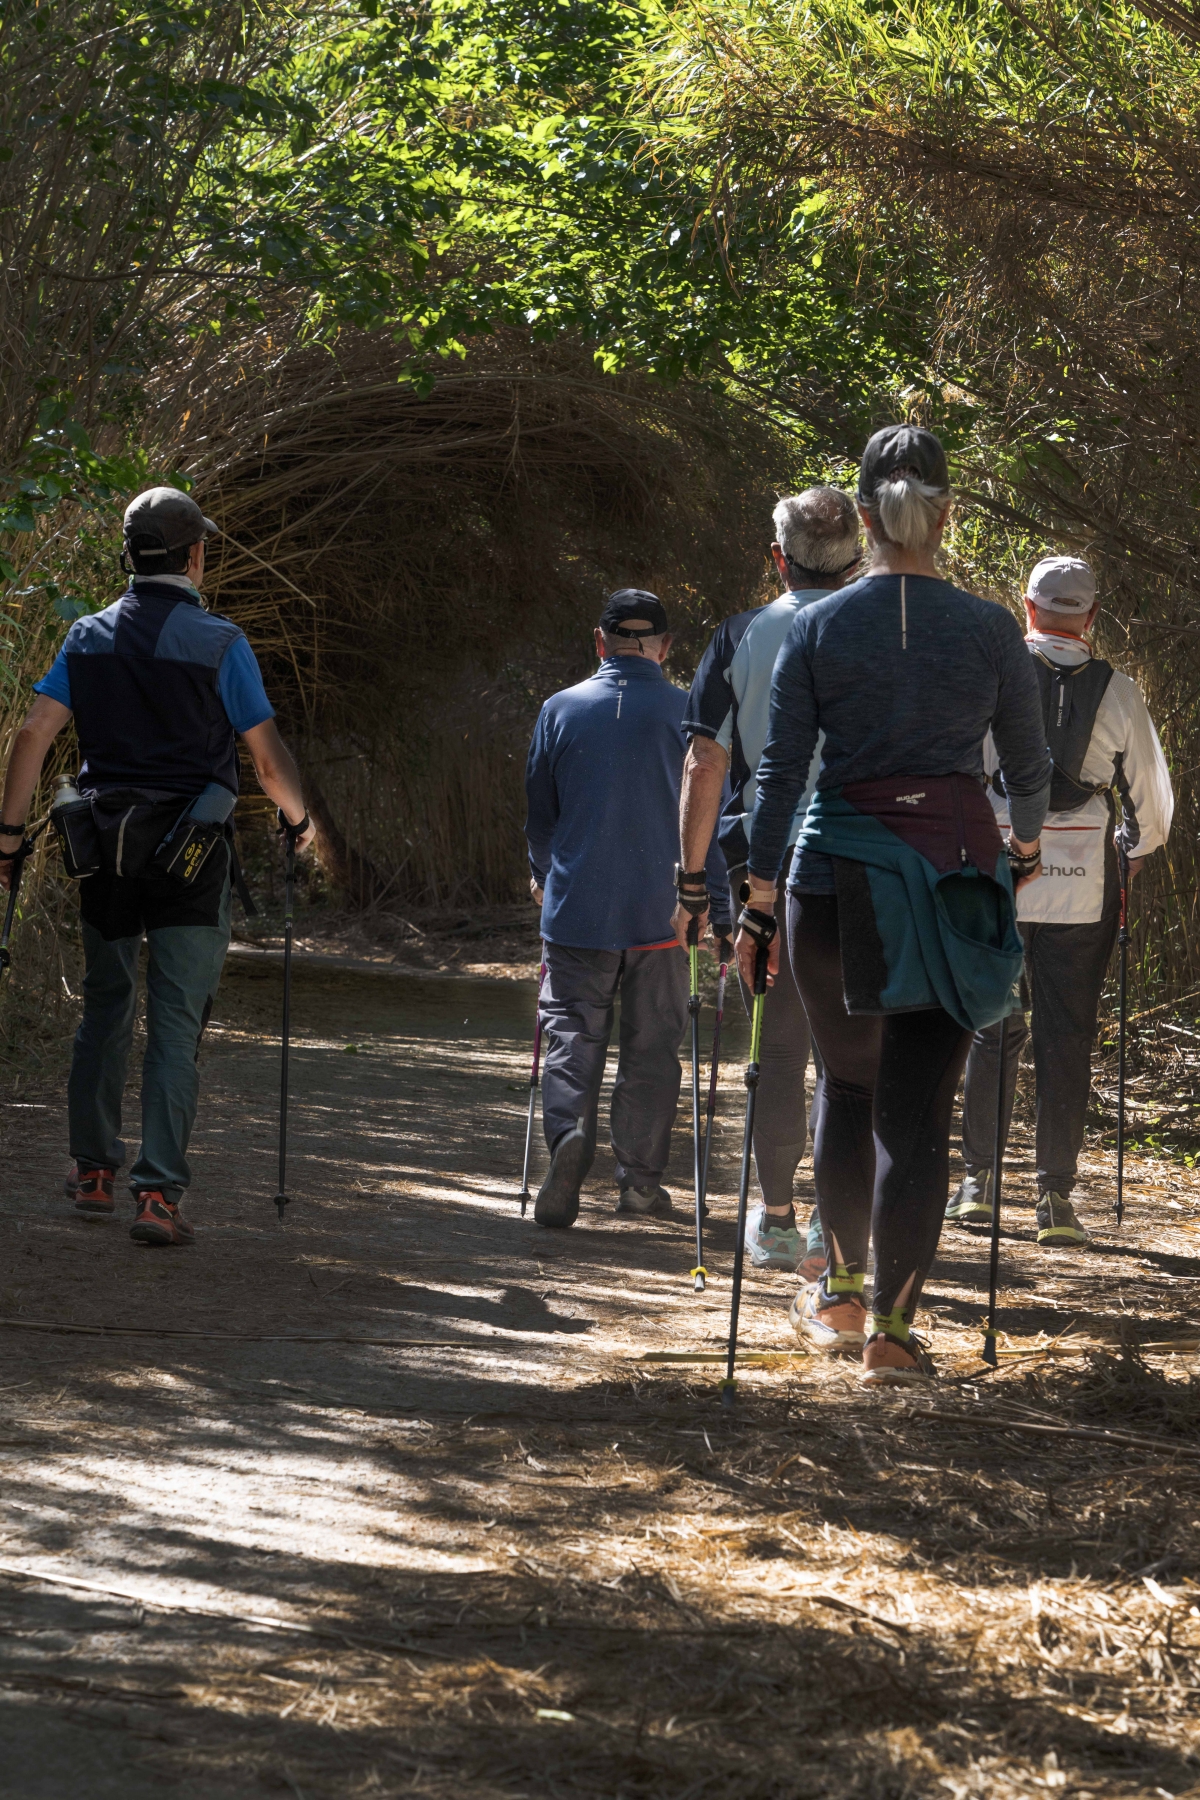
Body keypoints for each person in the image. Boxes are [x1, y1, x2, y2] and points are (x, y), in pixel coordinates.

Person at [741, 425, 1052, 1384]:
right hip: (951, 882)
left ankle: (835, 1292)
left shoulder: (818, 627)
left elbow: (781, 775)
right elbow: (1030, 772)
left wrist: (756, 898)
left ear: (864, 518)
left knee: (847, 1088)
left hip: (831, 879)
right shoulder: (993, 629)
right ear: (946, 515)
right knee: (920, 1113)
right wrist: (1026, 854)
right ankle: (896, 1333)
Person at [0, 486, 315, 1245]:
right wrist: (299, 822)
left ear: (127, 556)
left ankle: (93, 1171)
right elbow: (268, 764)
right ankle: (157, 1197)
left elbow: (32, 736)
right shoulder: (219, 642)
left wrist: (7, 840)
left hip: (104, 848)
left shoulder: (86, 637)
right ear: (196, 555)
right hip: (192, 856)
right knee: (175, 1023)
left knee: (106, 1008)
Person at [946, 554, 1174, 1247]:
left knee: (992, 1028)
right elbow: (1155, 811)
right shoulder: (1121, 690)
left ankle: (980, 1184)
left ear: (1028, 608)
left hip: (997, 876)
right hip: (1086, 888)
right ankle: (1056, 1200)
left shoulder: (986, 673)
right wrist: (1130, 857)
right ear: (1093, 617)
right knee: (1068, 1036)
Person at [673, 487, 862, 1280]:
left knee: (777, 1049)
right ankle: (835, 1225)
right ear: (858, 556)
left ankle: (777, 1220)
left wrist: (692, 883)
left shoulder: (740, 634)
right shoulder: (888, 629)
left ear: (778, 558)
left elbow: (705, 761)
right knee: (851, 1056)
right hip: (871, 865)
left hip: (771, 873)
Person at [524, 589, 731, 1228]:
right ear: (666, 649)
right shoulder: (691, 715)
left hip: (579, 908)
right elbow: (714, 819)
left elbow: (541, 816)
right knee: (653, 1047)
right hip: (667, 915)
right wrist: (717, 910)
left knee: (570, 1033)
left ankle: (568, 1140)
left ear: (600, 642)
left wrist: (542, 876)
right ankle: (640, 1183)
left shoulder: (559, 711)